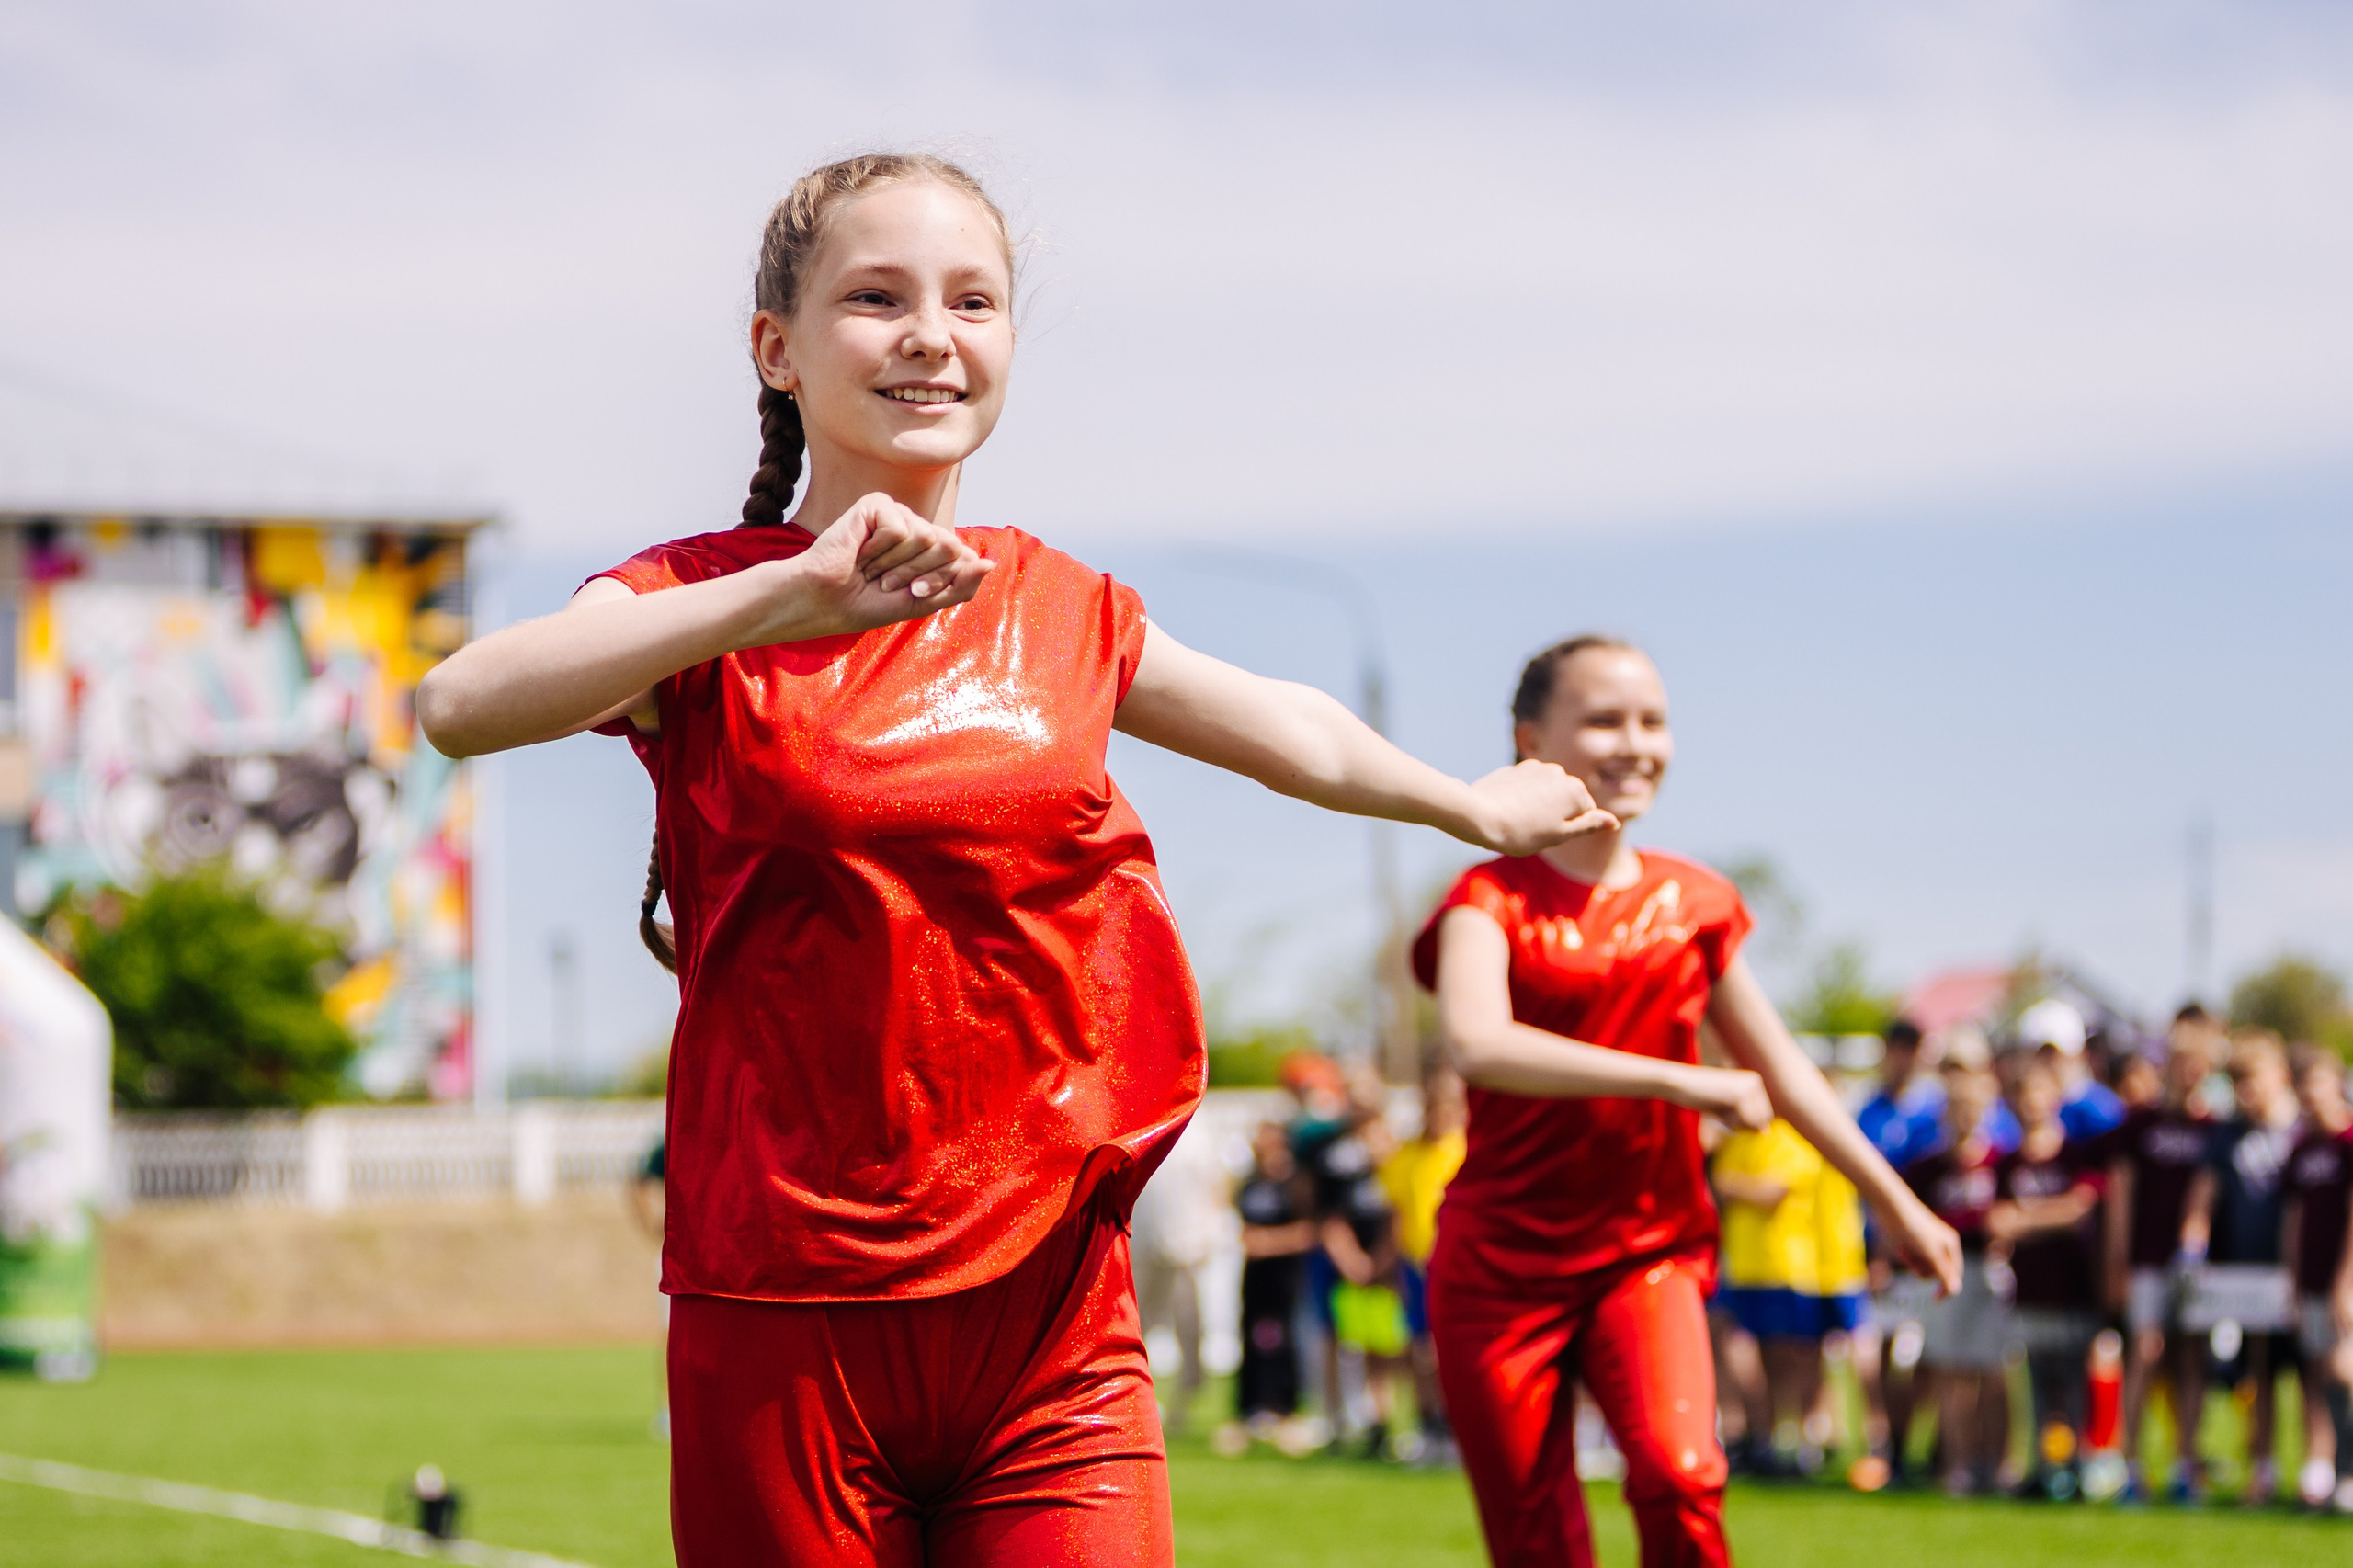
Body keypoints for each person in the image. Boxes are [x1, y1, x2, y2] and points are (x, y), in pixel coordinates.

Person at [415, 153, 1617, 1568]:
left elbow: (1287, 726)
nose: (933, 332)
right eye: (878, 297)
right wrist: (783, 594)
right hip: (785, 1316)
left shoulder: (1059, 604)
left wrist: (1465, 806)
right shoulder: (694, 600)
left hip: (1054, 1313)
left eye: (972, 299)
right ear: (776, 350)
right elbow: (461, 702)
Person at [1414, 634, 1961, 1568]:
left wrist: (1894, 1200)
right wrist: (1675, 1078)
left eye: (1652, 720)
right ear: (1529, 736)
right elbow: (1477, 1040)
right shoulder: (1487, 892)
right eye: (1603, 719)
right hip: (1498, 1266)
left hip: (1647, 1252)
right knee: (1535, 1539)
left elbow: (1785, 1070)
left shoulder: (1695, 901)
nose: (1634, 743)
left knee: (1680, 1472)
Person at [2102, 1004, 2222, 1502]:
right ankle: (2131, 1467)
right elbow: (2121, 1196)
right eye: (2181, 1060)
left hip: (2194, 1267)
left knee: (2191, 1360)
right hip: (2146, 1261)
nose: (2190, 1071)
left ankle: (2184, 1465)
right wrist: (2118, 1259)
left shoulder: (2214, 1127)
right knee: (2145, 1353)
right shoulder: (2140, 1123)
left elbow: (2210, 1196)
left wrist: (2195, 1249)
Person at [2180, 1028, 2303, 1507]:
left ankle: (2324, 1468)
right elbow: (2203, 1199)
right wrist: (2191, 1252)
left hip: (2298, 1271)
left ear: (2281, 1076)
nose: (2245, 1091)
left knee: (2314, 1373)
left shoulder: (2302, 1131)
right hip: (2244, 1274)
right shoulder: (2226, 1134)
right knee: (2259, 1371)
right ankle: (2262, 1469)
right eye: (2237, 1082)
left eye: (2253, 1079)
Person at [1711, 1119, 1863, 1479]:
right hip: (1745, 1265)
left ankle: (1799, 1441)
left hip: (1787, 1265)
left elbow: (1771, 1191)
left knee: (1793, 1358)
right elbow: (1720, 1183)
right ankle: (1768, 1440)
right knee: (1756, 1356)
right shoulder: (1740, 1137)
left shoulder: (1792, 1135)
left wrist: (1735, 1185)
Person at [1987, 1058, 2103, 1501]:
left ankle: (2077, 1468)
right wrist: (2045, 1217)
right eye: (2023, 1095)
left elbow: (2080, 1209)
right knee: (2035, 1383)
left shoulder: (2076, 1155)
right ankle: (2041, 1466)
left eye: (2039, 1093)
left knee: (2074, 1382)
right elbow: (1997, 1221)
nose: (2031, 1103)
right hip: (2029, 1290)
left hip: (2072, 1288)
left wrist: (2025, 1219)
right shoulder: (2008, 1162)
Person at [1901, 1044, 2008, 1496]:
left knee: (1994, 1371)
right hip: (1947, 1274)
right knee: (1948, 1370)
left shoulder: (2002, 1162)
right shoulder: (1929, 1166)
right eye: (1957, 1107)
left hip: (1990, 1272)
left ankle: (1998, 1464)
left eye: (1974, 1107)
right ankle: (1957, 1463)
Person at [1850, 1017, 1945, 1488]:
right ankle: (1890, 1444)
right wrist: (1876, 1252)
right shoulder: (1868, 1113)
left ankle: (1924, 1444)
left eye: (1912, 1048)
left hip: (1928, 1254)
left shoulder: (1935, 1113)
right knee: (1884, 1353)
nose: (1904, 1058)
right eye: (1897, 1048)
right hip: (1883, 1255)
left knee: (1931, 1355)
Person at [1379, 1061, 1469, 1463]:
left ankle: (1457, 1428)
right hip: (1416, 1268)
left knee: (1447, 1353)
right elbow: (1398, 1213)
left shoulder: (1466, 1150)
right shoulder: (1407, 1156)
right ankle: (1428, 1424)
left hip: (1457, 1266)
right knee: (1418, 1352)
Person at [1219, 1121, 1320, 1457]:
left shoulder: (1296, 1182)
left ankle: (1286, 1409)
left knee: (1284, 1339)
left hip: (1285, 1276)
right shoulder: (1250, 1182)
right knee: (1252, 1337)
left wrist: (1269, 1243)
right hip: (1255, 1275)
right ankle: (1252, 1408)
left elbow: (1310, 1230)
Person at [2281, 1045, 2353, 1510]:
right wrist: (2290, 1279)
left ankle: (2348, 1470)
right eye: (2303, 1085)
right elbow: (2293, 1218)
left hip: (2342, 1281)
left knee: (2343, 1371)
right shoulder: (2303, 1149)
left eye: (2318, 1083)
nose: (2311, 1094)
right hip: (2307, 1279)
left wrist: (2345, 1282)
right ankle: (2324, 1470)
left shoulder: (2349, 1141)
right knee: (2317, 1375)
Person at [2016, 999, 2126, 1142]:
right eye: (2041, 1055)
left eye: (2055, 1054)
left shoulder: (2104, 1110)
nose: (2048, 1064)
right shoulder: (2014, 1114)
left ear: (2079, 1053)